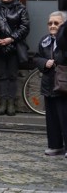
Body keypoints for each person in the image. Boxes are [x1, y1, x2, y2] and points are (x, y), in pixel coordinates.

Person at [35, 11, 67, 157]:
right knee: (52, 119)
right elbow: (37, 58)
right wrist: (44, 63)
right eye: (50, 23)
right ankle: (55, 145)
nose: (52, 26)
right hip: (49, 84)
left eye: (56, 23)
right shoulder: (44, 40)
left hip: (63, 85)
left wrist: (57, 61)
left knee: (64, 117)